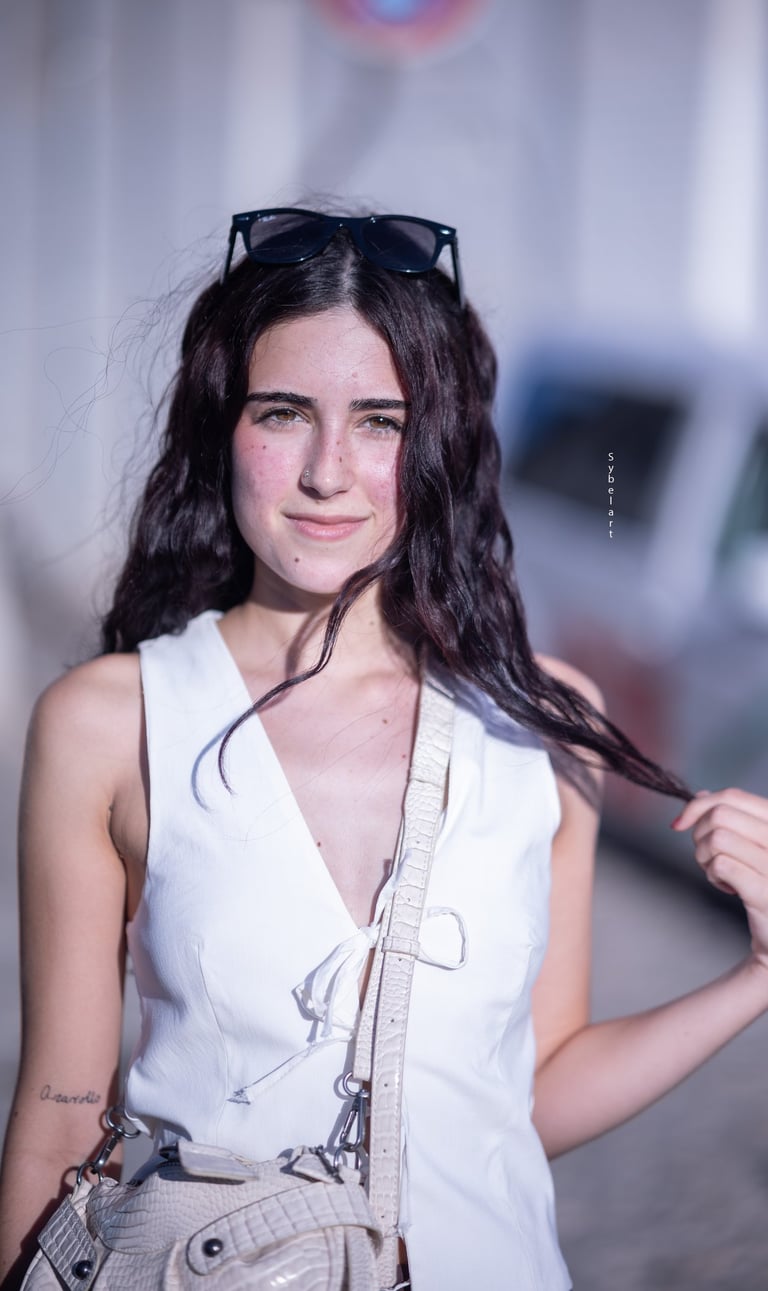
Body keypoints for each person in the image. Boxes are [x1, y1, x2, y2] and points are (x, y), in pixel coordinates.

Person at [1, 206, 767, 1291]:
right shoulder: (109, 721)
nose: (328, 471)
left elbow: (524, 1093)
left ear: (440, 443)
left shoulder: (543, 724)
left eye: (380, 421)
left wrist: (756, 976)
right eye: (282, 413)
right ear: (222, 426)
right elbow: (57, 1121)